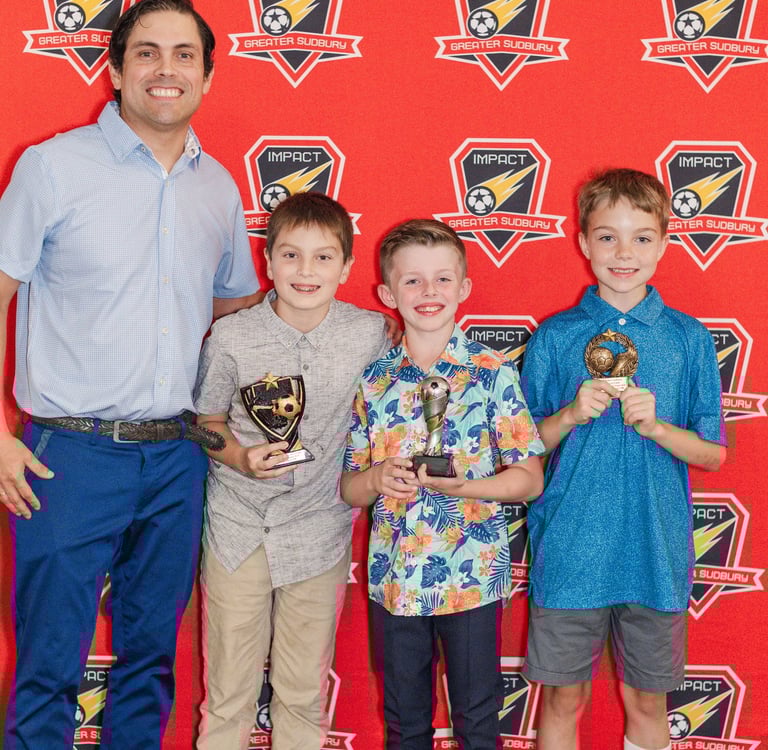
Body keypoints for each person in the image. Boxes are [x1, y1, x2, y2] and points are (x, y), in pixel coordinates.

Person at [0, 0, 261, 746]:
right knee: (49, 662)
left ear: (208, 76)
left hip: (178, 455)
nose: (165, 69)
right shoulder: (52, 167)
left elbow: (237, 306)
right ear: (115, 70)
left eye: (184, 54)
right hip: (69, 456)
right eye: (146, 52)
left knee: (151, 662)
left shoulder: (217, 187)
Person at [520, 168, 726, 750]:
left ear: (663, 244)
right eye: (607, 237)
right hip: (570, 546)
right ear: (583, 243)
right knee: (563, 699)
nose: (623, 253)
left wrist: (658, 428)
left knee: (647, 700)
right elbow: (522, 445)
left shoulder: (688, 338)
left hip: (654, 548)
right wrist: (569, 415)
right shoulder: (556, 336)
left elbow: (713, 454)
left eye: (641, 238)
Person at [194, 191, 392, 749]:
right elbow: (206, 422)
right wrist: (239, 456)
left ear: (346, 267)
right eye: (291, 255)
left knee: (303, 692)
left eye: (323, 257)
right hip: (238, 528)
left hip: (317, 529)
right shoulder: (232, 337)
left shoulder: (370, 334)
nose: (306, 271)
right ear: (268, 261)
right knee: (228, 692)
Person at [341, 219, 544, 750]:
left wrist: (465, 490)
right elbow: (350, 489)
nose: (428, 291)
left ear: (464, 287)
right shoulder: (374, 381)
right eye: (412, 280)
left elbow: (529, 479)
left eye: (442, 279)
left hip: (471, 575)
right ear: (387, 293)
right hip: (395, 577)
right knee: (404, 723)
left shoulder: (492, 372)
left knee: (477, 719)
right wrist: (377, 478)